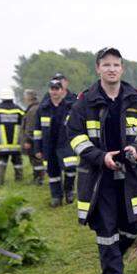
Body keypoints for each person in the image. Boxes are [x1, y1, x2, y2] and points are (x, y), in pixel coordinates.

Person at [66, 48, 137, 274]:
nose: (112, 69)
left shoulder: (136, 99)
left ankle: (113, 255)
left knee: (136, 225)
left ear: (122, 69)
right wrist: (100, 157)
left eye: (116, 64)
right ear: (98, 68)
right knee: (106, 229)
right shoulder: (85, 101)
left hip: (131, 175)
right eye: (106, 65)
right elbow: (75, 136)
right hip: (99, 178)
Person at [34, 76, 78, 207]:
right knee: (53, 173)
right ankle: (56, 197)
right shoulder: (43, 108)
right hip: (49, 146)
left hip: (66, 145)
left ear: (62, 90)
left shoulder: (71, 107)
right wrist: (37, 149)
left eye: (57, 89)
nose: (54, 92)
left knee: (70, 169)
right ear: (49, 90)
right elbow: (37, 131)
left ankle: (69, 191)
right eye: (52, 89)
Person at [0, 95, 26, 185]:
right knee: (18, 162)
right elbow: (25, 125)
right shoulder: (19, 110)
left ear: (2, 98)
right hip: (16, 143)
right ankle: (19, 181)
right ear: (12, 97)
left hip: (2, 144)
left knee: (1, 161)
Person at [20, 88, 45, 185]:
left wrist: (28, 141)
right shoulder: (34, 108)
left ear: (29, 97)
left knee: (36, 161)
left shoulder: (33, 110)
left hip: (33, 140)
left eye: (25, 96)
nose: (24, 98)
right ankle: (38, 178)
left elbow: (31, 127)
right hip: (34, 139)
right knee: (36, 161)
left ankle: (38, 179)